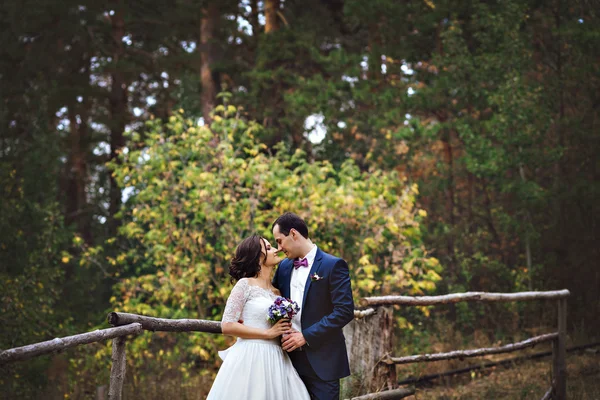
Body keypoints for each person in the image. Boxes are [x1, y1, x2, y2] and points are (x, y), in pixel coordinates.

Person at [206, 235, 310, 400]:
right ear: (257, 258)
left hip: (277, 359)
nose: (276, 250)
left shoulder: (277, 292)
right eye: (268, 248)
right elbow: (227, 325)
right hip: (252, 357)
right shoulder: (245, 284)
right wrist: (268, 334)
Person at [272, 212, 354, 400]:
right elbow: (271, 301)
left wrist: (305, 336)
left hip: (323, 362)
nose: (278, 248)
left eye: (279, 241)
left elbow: (344, 311)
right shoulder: (283, 268)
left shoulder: (333, 265)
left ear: (293, 234)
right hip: (288, 361)